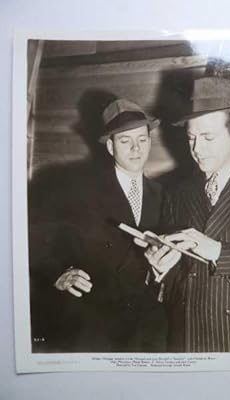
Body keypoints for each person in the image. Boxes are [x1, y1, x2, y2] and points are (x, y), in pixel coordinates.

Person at [138, 77, 230, 353]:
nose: (197, 149)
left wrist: (217, 251)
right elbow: (176, 279)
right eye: (191, 138)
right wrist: (159, 269)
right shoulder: (178, 193)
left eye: (208, 138)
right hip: (187, 339)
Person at [29, 98, 167, 352]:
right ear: (111, 147)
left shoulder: (162, 194)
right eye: (125, 141)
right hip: (91, 325)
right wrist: (57, 275)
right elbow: (35, 241)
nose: (136, 148)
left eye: (142, 139)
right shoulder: (77, 190)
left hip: (143, 326)